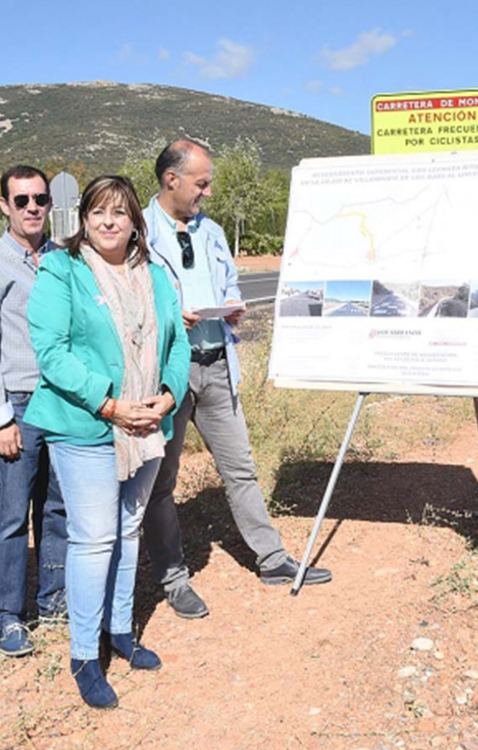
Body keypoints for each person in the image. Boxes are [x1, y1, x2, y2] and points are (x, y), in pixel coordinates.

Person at [141, 138, 331, 620]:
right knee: (162, 480)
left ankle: (271, 560)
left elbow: (227, 283)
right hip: (169, 373)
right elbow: (129, 303)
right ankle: (173, 578)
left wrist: (232, 308)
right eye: (201, 183)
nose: (207, 192)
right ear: (172, 180)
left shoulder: (213, 232)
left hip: (216, 364)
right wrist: (168, 318)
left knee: (240, 468)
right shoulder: (138, 232)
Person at [25, 175, 190, 708]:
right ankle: (83, 654)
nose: (109, 221)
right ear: (83, 219)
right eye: (98, 212)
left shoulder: (154, 274)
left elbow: (177, 343)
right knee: (94, 539)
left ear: (134, 220)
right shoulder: (60, 270)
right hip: (91, 425)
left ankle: (119, 631)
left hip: (147, 423)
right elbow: (51, 352)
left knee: (129, 528)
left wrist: (165, 398)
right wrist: (112, 404)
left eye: (119, 212)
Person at [0, 164, 68, 658]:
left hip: (61, 402)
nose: (32, 208)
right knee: (10, 516)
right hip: (20, 405)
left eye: (40, 199)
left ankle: (53, 600)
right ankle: (6, 615)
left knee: (56, 509)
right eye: (21, 200)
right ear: (4, 205)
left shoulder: (61, 258)